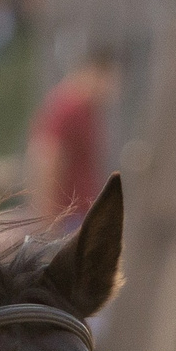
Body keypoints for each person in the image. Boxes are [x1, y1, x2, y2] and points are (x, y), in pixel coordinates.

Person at [25, 49, 120, 233]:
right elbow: (46, 160)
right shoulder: (69, 108)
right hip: (68, 217)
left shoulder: (87, 109)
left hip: (81, 213)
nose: (113, 90)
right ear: (94, 72)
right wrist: (49, 221)